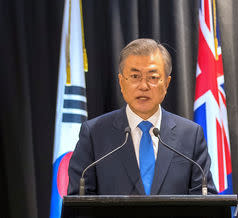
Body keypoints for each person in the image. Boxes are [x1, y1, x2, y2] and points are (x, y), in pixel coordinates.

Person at [68, 38, 217, 195]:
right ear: (121, 82)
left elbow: (205, 200)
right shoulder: (94, 134)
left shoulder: (190, 135)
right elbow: (79, 201)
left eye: (153, 77)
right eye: (134, 76)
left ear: (166, 83)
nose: (143, 86)